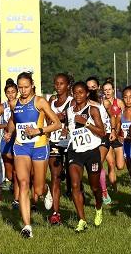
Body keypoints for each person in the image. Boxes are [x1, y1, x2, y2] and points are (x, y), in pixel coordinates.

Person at [4, 72, 61, 238]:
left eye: (26, 87)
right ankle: (27, 226)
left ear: (32, 86)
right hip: (21, 147)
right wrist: (9, 131)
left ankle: (46, 189)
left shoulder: (39, 101)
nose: (23, 90)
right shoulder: (14, 103)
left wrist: (39, 130)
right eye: (20, 87)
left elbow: (56, 123)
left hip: (39, 146)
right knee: (23, 183)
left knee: (38, 189)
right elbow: (14, 121)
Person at [66, 81, 105, 232]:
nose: (78, 95)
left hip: (92, 151)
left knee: (95, 187)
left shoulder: (93, 110)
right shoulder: (70, 111)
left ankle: (99, 207)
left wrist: (86, 123)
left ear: (87, 93)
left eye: (81, 92)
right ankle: (82, 220)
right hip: (75, 151)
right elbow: (69, 127)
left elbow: (102, 133)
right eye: (75, 93)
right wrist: (65, 130)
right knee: (75, 185)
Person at [47, 73, 73, 225]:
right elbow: (47, 119)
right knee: (55, 176)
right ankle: (56, 213)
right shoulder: (51, 101)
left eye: (61, 83)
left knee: (73, 176)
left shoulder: (72, 101)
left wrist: (67, 125)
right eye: (56, 83)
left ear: (67, 85)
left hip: (70, 143)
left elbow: (76, 118)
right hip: (55, 142)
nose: (58, 86)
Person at [0, 78, 19, 209]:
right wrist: (6, 126)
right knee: (9, 174)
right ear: (5, 94)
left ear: (17, 92)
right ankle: (16, 185)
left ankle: (17, 199)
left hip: (19, 139)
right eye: (8, 92)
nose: (11, 94)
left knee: (16, 171)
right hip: (6, 139)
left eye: (13, 92)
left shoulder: (21, 105)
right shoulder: (3, 107)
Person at [113, 87, 131, 207]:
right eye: (125, 97)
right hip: (127, 146)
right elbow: (117, 131)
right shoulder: (121, 114)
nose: (128, 100)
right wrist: (119, 136)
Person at [101, 80, 125, 204]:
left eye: (109, 89)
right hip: (107, 136)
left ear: (113, 90)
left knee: (120, 166)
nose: (107, 92)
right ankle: (114, 188)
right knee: (110, 163)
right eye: (105, 90)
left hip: (118, 136)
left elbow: (124, 117)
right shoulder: (101, 104)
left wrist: (121, 130)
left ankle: (113, 183)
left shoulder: (119, 102)